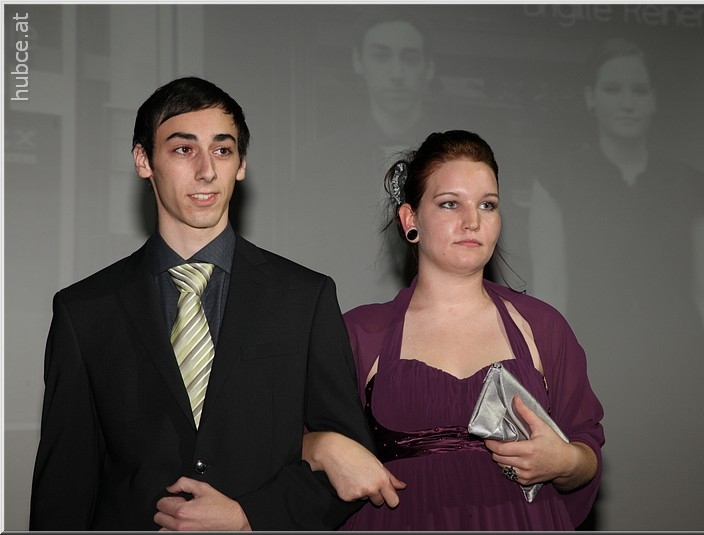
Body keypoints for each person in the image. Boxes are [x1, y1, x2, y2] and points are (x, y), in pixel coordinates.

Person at [28, 76, 399, 531]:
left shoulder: (304, 296)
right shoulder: (84, 311)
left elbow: (350, 466)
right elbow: (64, 487)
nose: (206, 170)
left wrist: (249, 517)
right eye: (184, 149)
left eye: (222, 150)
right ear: (144, 160)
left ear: (241, 164)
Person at [310, 130, 604, 530]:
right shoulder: (361, 333)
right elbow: (285, 446)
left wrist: (566, 460)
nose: (472, 221)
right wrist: (323, 446)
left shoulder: (542, 327)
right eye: (450, 204)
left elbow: (586, 448)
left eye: (487, 205)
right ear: (410, 219)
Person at [528, 37, 704, 430]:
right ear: (591, 97)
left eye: (639, 90)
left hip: (681, 376)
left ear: (654, 100)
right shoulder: (557, 180)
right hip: (594, 373)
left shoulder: (692, 188)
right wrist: (545, 395)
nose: (627, 102)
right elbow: (551, 294)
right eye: (613, 89)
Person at [283, 7, 441, 311]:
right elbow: (308, 254)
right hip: (342, 315)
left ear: (428, 67)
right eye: (381, 56)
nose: (396, 73)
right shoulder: (319, 161)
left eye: (409, 58)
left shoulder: (453, 162)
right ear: (358, 61)